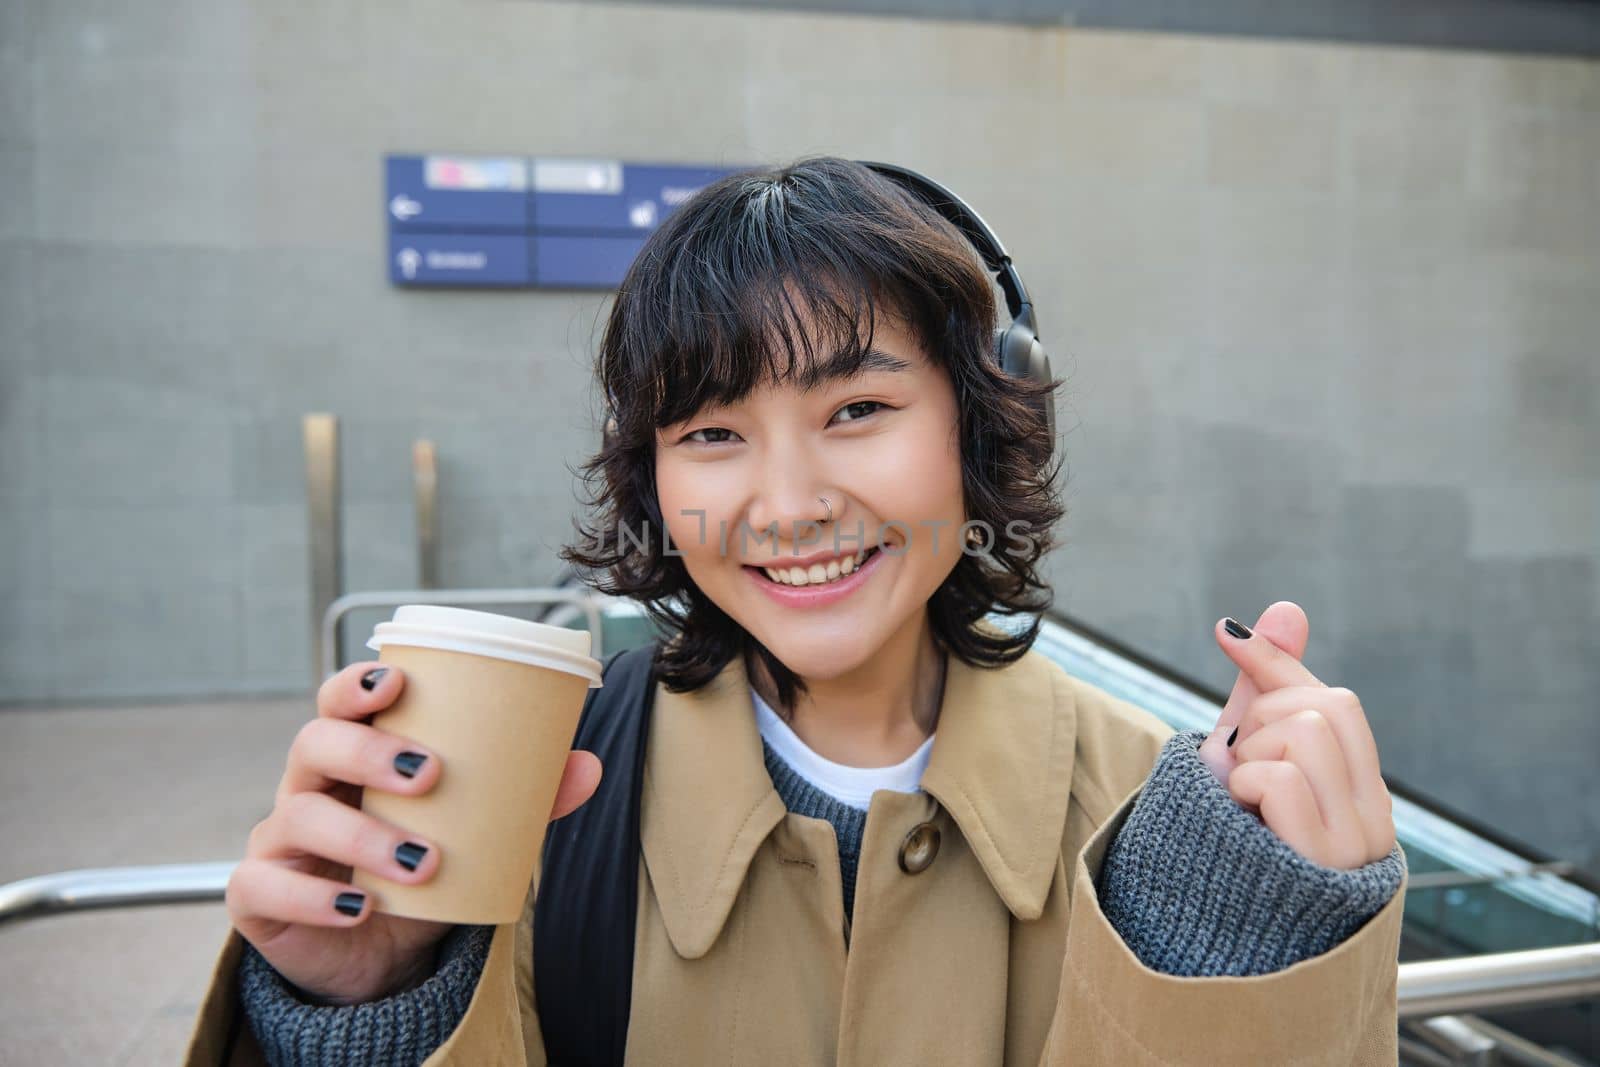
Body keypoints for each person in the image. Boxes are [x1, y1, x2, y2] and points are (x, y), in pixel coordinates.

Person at [185, 156, 1406, 1066]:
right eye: (712, 433)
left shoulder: (1162, 821)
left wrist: (1244, 958)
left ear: (976, 424)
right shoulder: (534, 797)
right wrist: (370, 1012)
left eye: (856, 411)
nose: (785, 503)